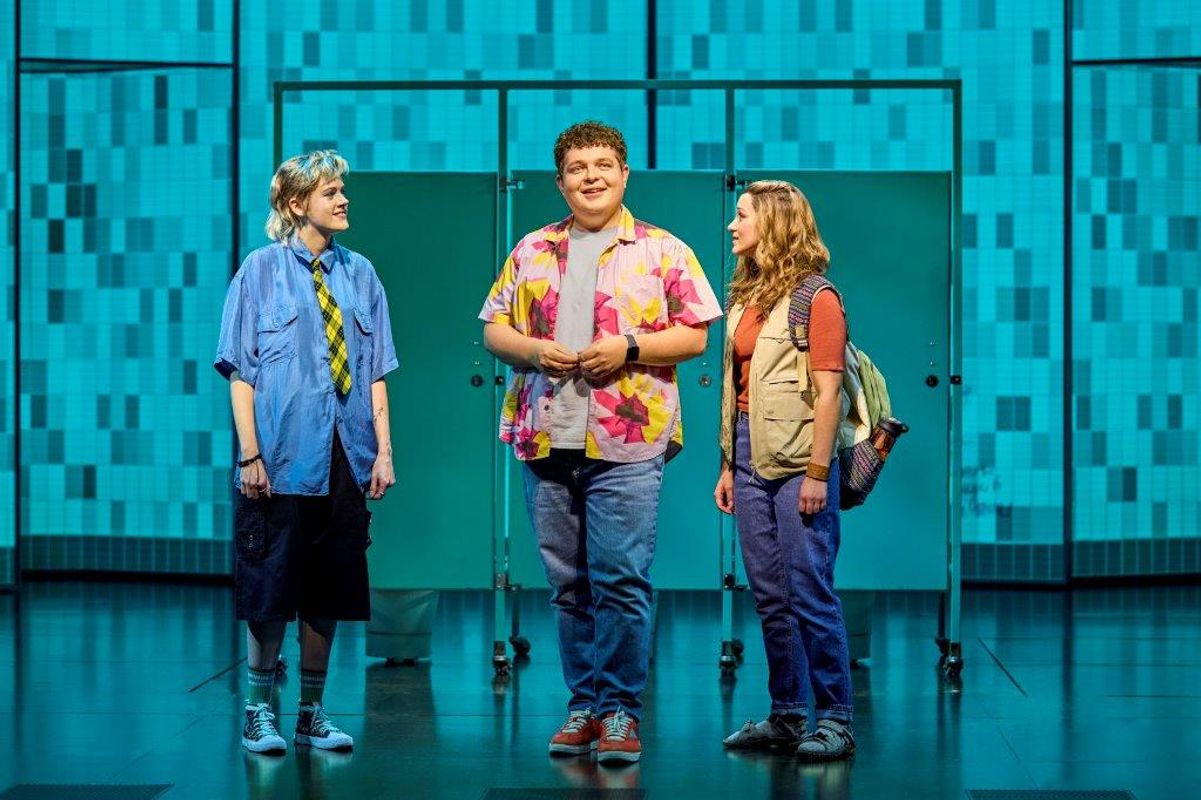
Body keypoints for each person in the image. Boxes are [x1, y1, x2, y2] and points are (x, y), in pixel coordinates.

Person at [479, 121, 722, 764]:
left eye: (604, 164)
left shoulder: (663, 249)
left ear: (624, 174)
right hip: (546, 432)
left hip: (628, 436)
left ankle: (620, 711)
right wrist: (533, 350)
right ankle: (583, 704)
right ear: (560, 182)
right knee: (567, 583)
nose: (591, 176)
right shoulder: (532, 248)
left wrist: (630, 346)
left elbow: (697, 335)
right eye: (578, 167)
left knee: (620, 577)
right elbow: (493, 331)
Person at [214, 150, 398, 754]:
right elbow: (240, 372)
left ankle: (312, 712)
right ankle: (257, 710)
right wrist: (249, 454)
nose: (343, 199)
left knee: (332, 586)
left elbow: (375, 371)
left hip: (346, 451)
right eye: (329, 191)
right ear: (297, 204)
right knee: (270, 584)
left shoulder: (361, 273)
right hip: (280, 453)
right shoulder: (259, 271)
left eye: (342, 189)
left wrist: (384, 452)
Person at [714, 180, 855, 761]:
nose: (732, 226)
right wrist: (728, 462)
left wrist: (819, 473)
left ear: (772, 224)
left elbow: (828, 397)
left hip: (801, 461)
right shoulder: (747, 296)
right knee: (770, 594)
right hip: (749, 455)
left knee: (809, 591)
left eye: (741, 216)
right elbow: (737, 389)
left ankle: (837, 718)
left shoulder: (816, 298)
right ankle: (788, 713)